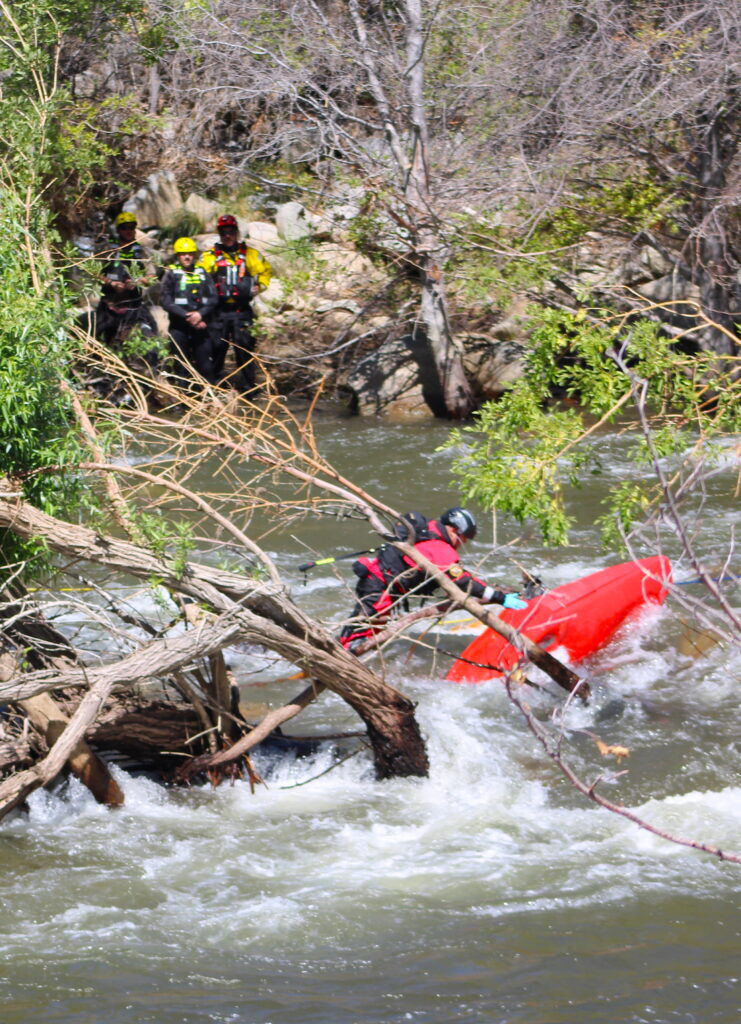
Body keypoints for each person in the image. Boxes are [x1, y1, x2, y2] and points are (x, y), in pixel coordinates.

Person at [339, 507, 528, 651]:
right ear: (454, 529)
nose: (464, 543)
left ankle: (342, 649)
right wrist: (500, 598)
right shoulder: (439, 547)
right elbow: (462, 581)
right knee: (363, 630)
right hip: (380, 586)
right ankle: (341, 658)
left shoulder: (429, 529)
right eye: (464, 537)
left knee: (366, 624)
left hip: (381, 581)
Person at [197, 213, 272, 393]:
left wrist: (259, 286)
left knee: (244, 349)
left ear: (237, 232)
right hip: (219, 311)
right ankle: (213, 386)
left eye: (231, 231)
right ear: (220, 234)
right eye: (224, 232)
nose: (228, 236)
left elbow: (266, 271)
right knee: (217, 348)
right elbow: (199, 275)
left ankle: (248, 388)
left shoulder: (251, 255)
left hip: (242, 311)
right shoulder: (210, 256)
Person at [81, 211, 161, 364]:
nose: (129, 231)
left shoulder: (141, 251)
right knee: (96, 338)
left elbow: (152, 276)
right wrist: (110, 283)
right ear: (118, 230)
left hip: (133, 307)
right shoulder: (107, 250)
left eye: (132, 227)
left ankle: (147, 368)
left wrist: (137, 282)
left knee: (149, 334)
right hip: (109, 307)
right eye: (125, 227)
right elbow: (92, 271)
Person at [159, 236, 219, 385]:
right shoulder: (171, 274)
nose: (187, 257)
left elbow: (213, 298)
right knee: (181, 366)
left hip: (200, 326)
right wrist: (187, 316)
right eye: (183, 254)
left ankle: (210, 400)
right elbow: (165, 301)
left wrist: (200, 314)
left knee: (206, 366)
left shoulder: (202, 272)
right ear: (178, 255)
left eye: (190, 253)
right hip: (179, 327)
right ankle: (183, 402)